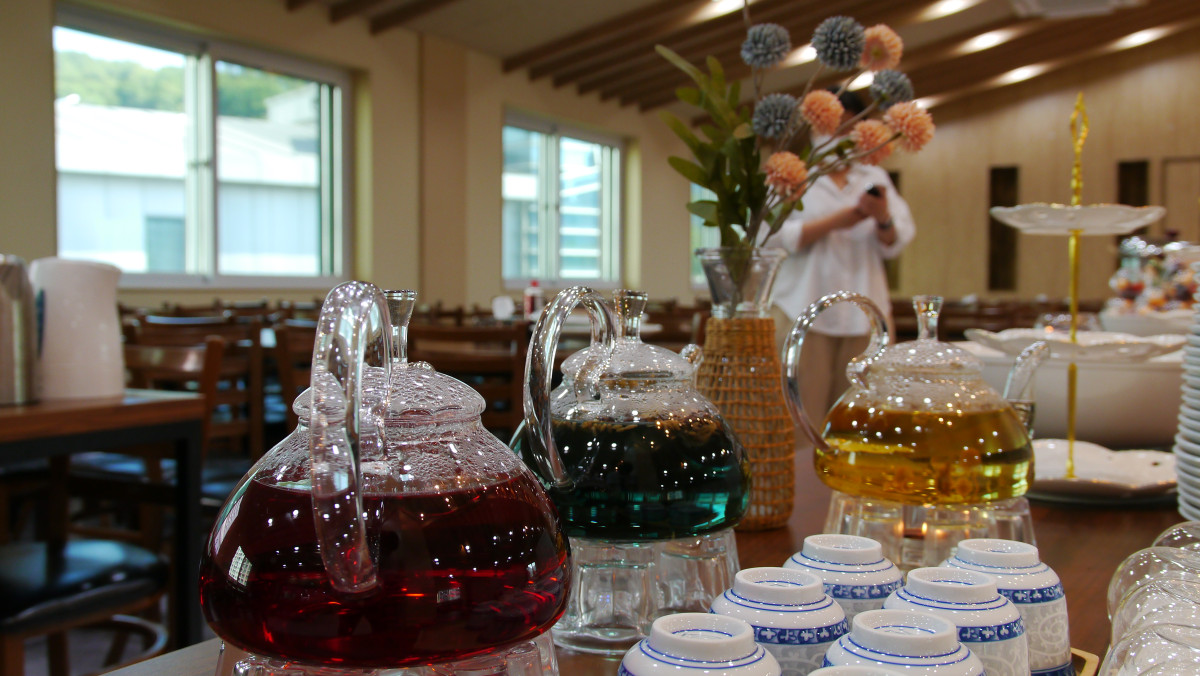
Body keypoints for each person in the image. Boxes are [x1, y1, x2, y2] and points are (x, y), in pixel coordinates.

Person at [762, 91, 916, 423]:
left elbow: (897, 240)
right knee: (799, 419)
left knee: (859, 419)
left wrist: (882, 217)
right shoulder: (794, 174)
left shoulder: (874, 176)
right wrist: (840, 220)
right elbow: (770, 237)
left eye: (851, 125)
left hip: (865, 313)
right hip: (802, 307)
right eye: (835, 125)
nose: (842, 133)